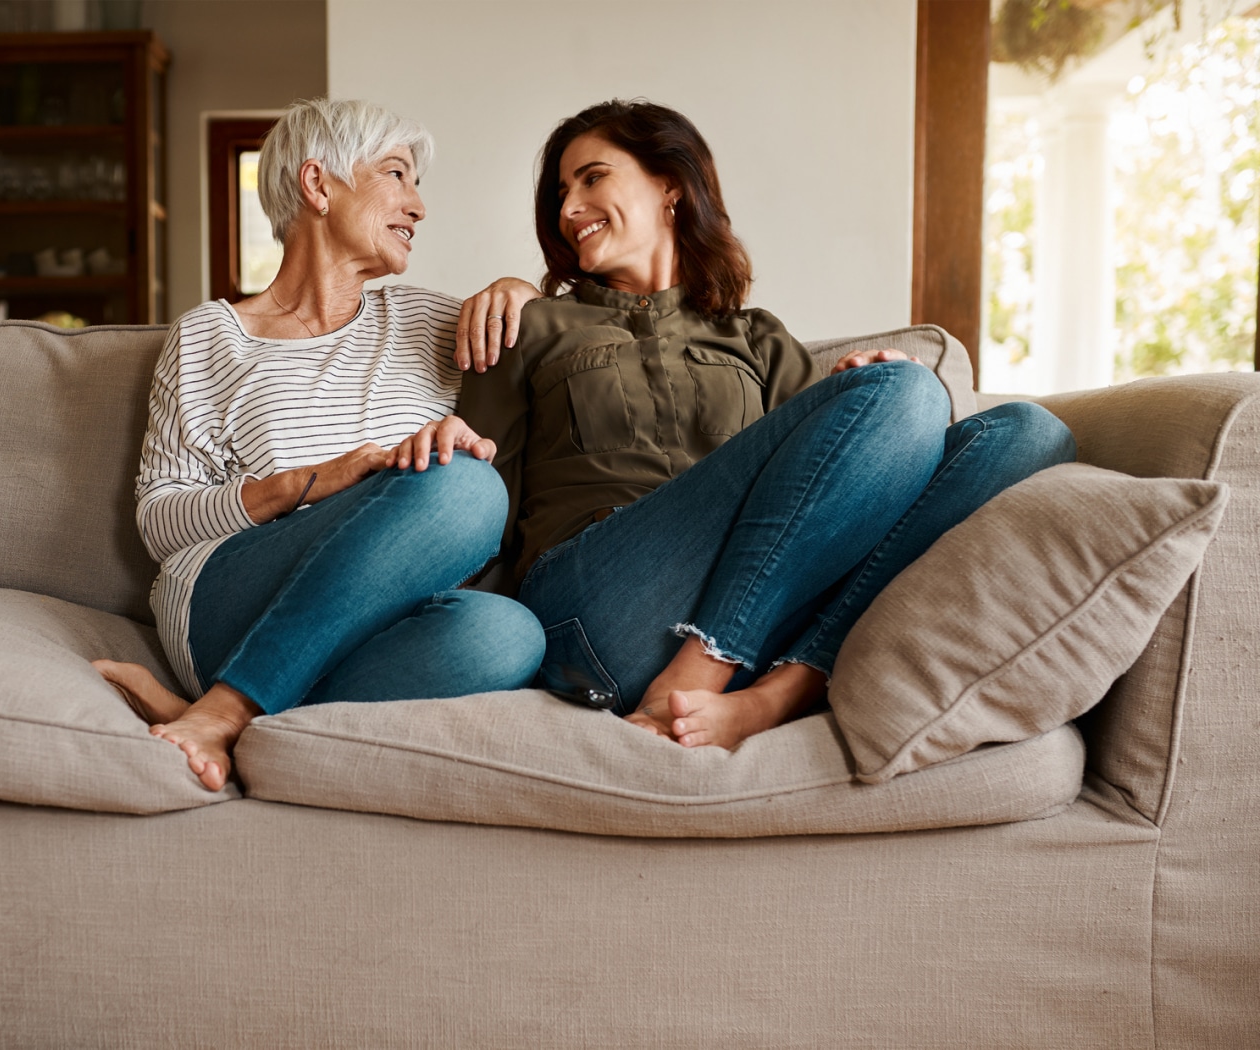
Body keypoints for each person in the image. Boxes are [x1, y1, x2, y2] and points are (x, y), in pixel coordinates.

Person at [409, 99, 1076, 750]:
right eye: (560, 193)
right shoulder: (527, 325)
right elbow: (480, 499)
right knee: (902, 392)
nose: (567, 210)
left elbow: (838, 488)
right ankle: (712, 663)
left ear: (669, 184)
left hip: (759, 609)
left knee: (1027, 431)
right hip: (603, 605)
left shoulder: (756, 337)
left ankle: (780, 690)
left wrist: (885, 385)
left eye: (592, 178)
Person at [94, 98, 546, 791]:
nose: (418, 206)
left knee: (508, 635)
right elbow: (159, 521)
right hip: (226, 601)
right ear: (318, 185)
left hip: (369, 618)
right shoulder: (211, 338)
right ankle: (228, 703)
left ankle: (233, 721)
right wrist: (324, 478)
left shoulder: (433, 322)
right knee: (465, 486)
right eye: (397, 174)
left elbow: (546, 331)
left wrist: (522, 291)